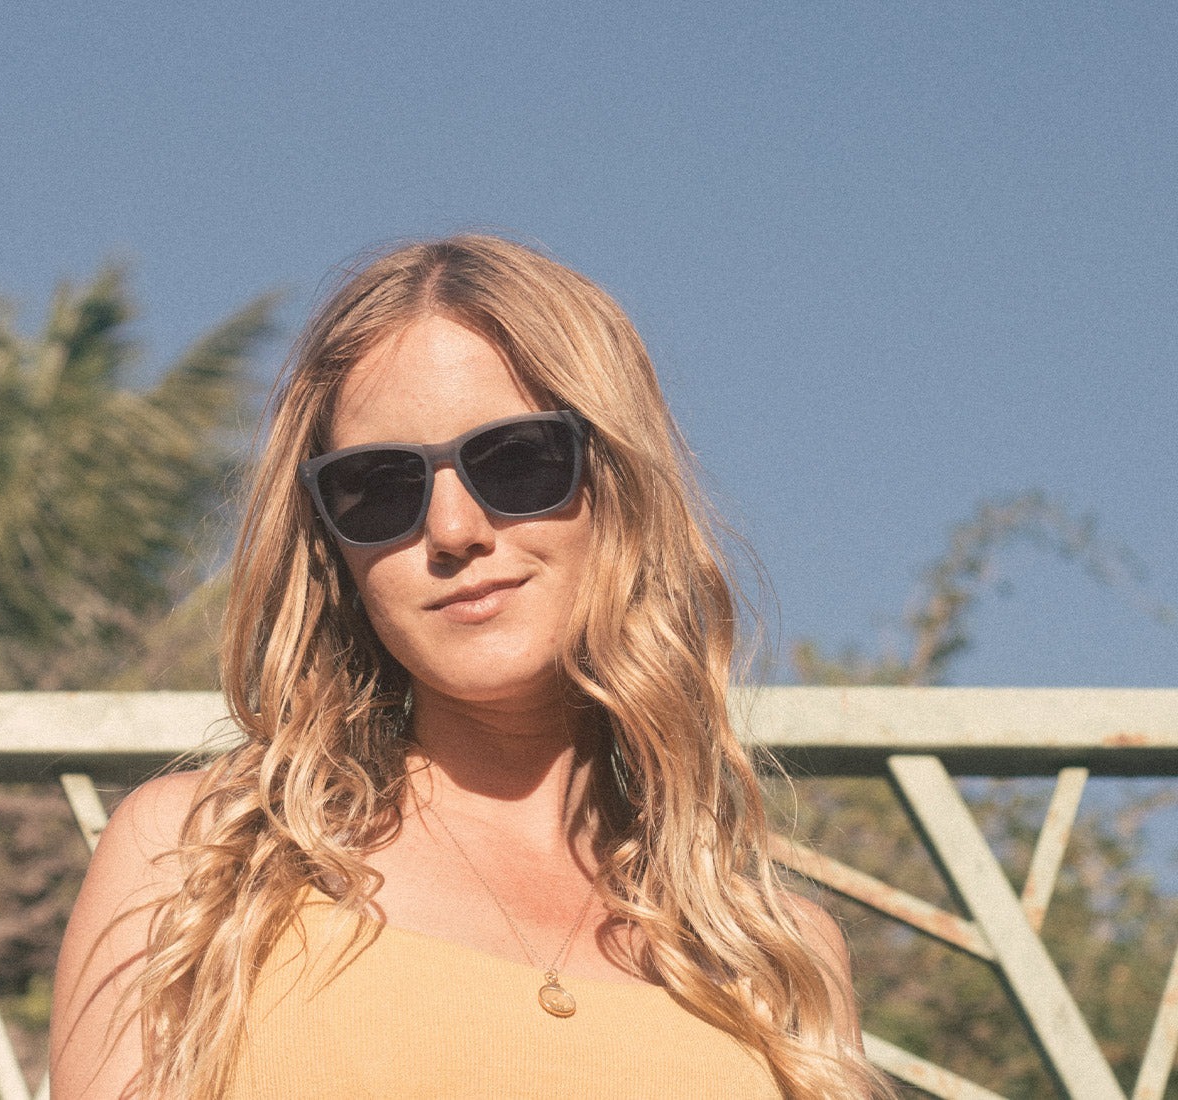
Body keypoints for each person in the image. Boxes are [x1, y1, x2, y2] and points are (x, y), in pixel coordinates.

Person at [50, 235, 889, 1098]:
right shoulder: (203, 861)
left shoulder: (778, 960)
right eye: (379, 487)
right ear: (334, 548)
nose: (453, 530)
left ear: (619, 486)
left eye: (517, 462)